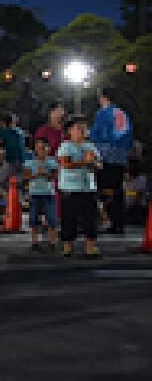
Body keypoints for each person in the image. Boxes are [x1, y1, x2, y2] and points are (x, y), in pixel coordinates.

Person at [58, 116, 102, 258]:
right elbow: (65, 164)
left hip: (88, 188)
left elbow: (99, 165)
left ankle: (90, 248)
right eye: (78, 128)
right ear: (70, 131)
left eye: (84, 128)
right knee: (69, 219)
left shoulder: (90, 146)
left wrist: (94, 163)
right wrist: (85, 161)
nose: (82, 131)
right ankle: (67, 247)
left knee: (91, 219)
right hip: (70, 188)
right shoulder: (66, 146)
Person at [90, 88, 133, 235]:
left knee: (102, 191)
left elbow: (97, 135)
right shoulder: (122, 114)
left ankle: (106, 221)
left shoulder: (103, 114)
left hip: (106, 156)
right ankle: (118, 223)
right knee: (117, 190)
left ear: (103, 98)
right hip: (120, 157)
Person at [25, 137, 59, 252]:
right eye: (38, 148)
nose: (41, 151)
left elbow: (55, 176)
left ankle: (52, 241)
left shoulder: (52, 162)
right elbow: (27, 176)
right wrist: (36, 174)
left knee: (51, 219)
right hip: (34, 193)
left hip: (49, 193)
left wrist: (46, 174)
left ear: (48, 149)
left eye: (43, 148)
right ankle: (35, 242)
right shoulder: (30, 162)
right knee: (33, 219)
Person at [0, 114, 26, 189]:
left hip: (10, 160)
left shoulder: (3, 132)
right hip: (20, 160)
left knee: (0, 181)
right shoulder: (20, 131)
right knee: (17, 181)